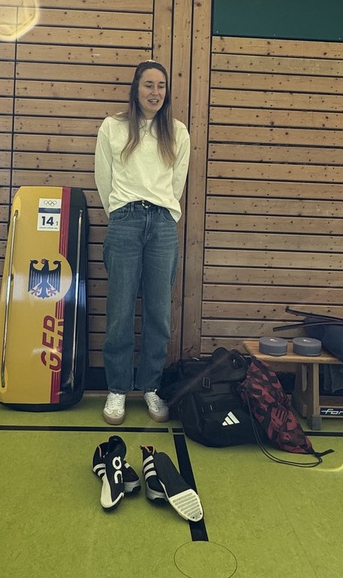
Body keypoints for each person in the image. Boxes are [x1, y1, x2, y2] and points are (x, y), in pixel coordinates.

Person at [94, 60, 190, 425]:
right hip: (125, 221)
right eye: (148, 84)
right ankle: (117, 389)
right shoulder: (113, 127)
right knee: (119, 311)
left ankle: (150, 386)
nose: (155, 92)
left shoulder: (177, 132)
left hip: (162, 224)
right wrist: (121, 213)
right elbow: (104, 178)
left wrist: (162, 213)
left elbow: (176, 182)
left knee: (158, 313)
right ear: (136, 89)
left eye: (161, 86)